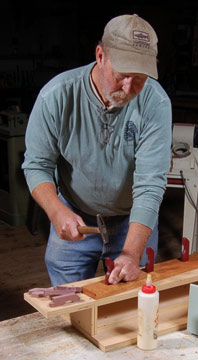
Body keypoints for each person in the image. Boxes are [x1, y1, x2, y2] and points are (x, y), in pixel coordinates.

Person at [22, 14, 172, 286]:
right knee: (68, 309)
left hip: (132, 221)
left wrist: (131, 252)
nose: (128, 88)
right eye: (122, 75)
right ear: (101, 56)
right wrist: (56, 211)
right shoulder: (56, 95)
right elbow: (37, 165)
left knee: (128, 310)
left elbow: (150, 185)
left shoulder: (155, 102)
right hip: (74, 215)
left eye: (139, 79)